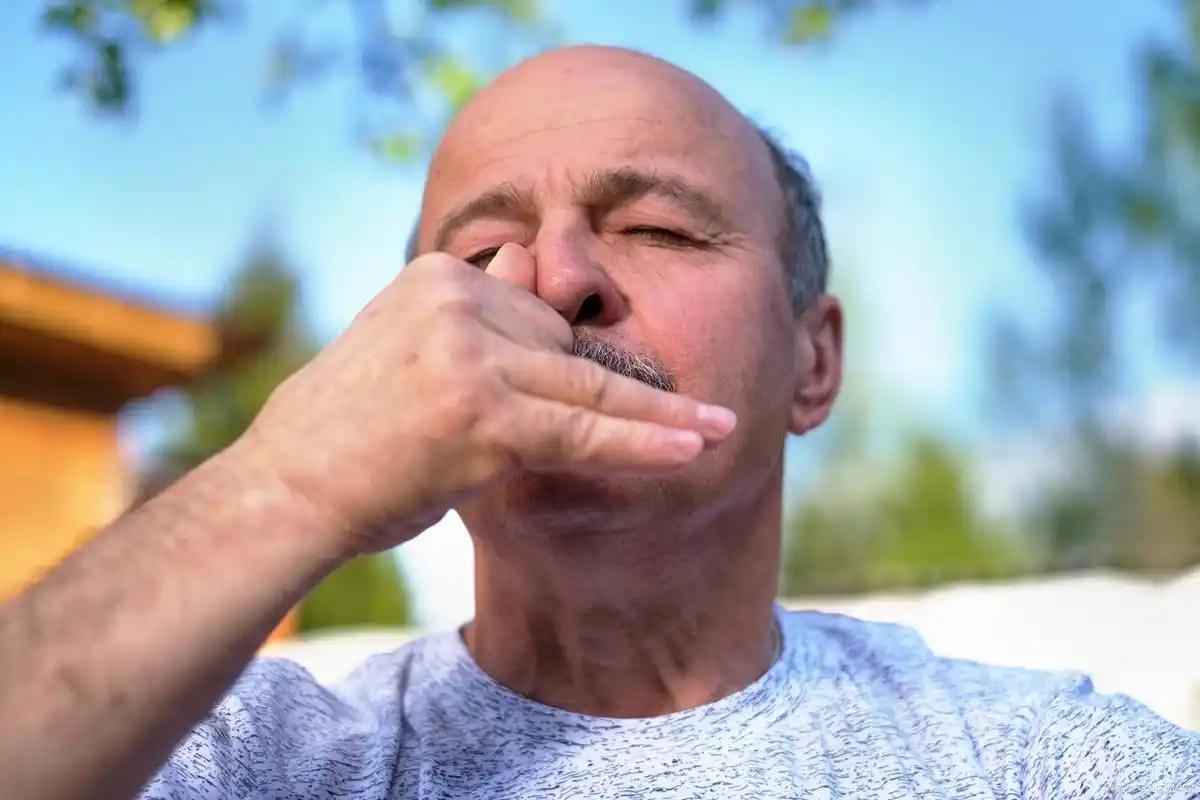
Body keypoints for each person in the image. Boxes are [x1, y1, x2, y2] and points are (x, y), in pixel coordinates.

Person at [1, 45, 1196, 800]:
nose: (556, 277)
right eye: (482, 248)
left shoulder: (1040, 761)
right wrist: (289, 481)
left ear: (815, 359)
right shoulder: (243, 762)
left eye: (660, 228)